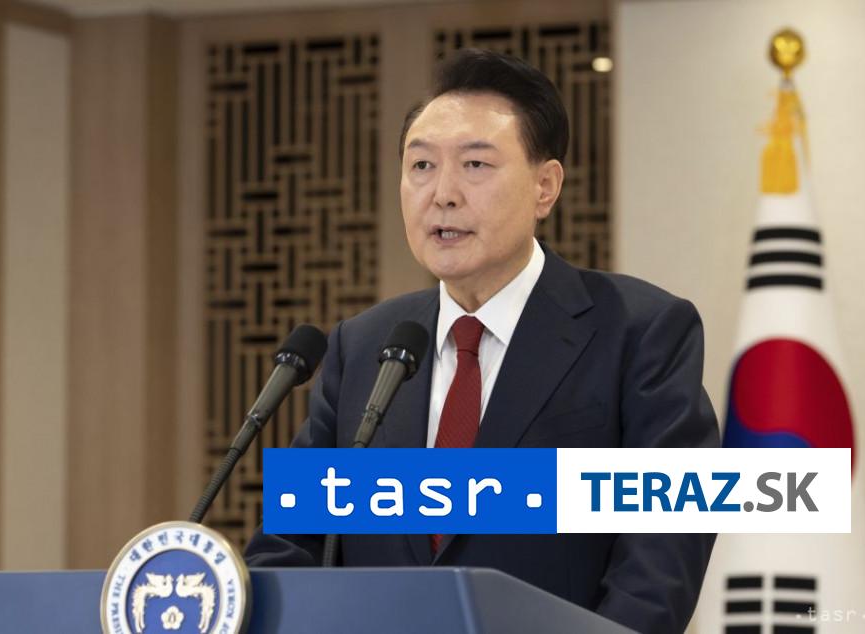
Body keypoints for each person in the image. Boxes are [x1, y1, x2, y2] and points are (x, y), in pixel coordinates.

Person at [245, 48, 719, 634]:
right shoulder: (362, 347)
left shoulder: (641, 331)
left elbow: (658, 565)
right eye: (421, 165)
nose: (442, 193)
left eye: (475, 165)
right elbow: (288, 547)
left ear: (545, 187)